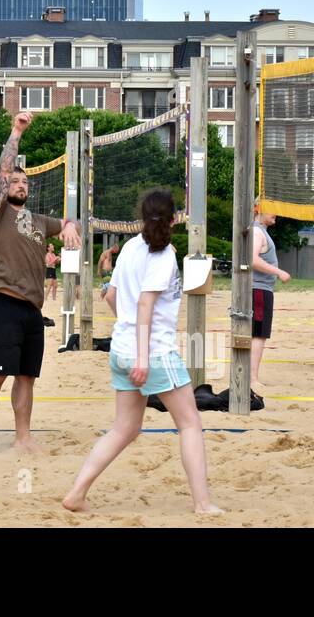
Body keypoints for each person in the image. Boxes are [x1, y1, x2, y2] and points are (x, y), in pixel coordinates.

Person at [62, 189, 222, 516]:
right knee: (190, 424)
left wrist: (130, 339)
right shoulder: (162, 258)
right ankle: (203, 504)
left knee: (125, 429)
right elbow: (145, 305)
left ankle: (77, 493)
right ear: (174, 220)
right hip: (152, 352)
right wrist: (143, 357)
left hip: (121, 348)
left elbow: (110, 297)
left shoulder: (131, 248)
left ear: (141, 218)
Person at [0, 111, 80, 453]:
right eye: (16, 182)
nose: (20, 185)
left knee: (27, 376)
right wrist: (16, 132)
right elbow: (3, 170)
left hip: (32, 309)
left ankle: (23, 436)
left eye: (25, 182)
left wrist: (70, 224)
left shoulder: (38, 220)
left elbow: (66, 223)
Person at [250, 202, 291, 386]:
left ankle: (251, 377)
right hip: (259, 289)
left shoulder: (260, 230)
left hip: (261, 288)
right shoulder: (257, 231)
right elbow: (253, 259)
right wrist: (278, 272)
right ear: (259, 208)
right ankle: (252, 378)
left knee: (258, 334)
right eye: (272, 207)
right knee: (258, 334)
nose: (277, 212)